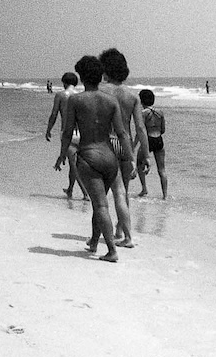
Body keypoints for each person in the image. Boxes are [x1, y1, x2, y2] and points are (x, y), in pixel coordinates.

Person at [59, 56, 135, 263]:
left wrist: (61, 155)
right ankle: (94, 241)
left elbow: (67, 132)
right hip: (110, 158)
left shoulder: (75, 100)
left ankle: (111, 250)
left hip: (89, 157)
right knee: (98, 202)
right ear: (100, 76)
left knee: (100, 205)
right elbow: (122, 133)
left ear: (82, 77)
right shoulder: (111, 101)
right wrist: (131, 158)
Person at [99, 48, 148, 248]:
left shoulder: (100, 91)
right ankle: (123, 233)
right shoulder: (133, 96)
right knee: (123, 192)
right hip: (125, 146)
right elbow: (141, 129)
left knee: (101, 194)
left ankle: (100, 236)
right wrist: (144, 155)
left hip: (105, 143)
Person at [46, 72, 88, 200]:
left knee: (73, 164)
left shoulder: (60, 95)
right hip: (82, 133)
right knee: (74, 163)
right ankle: (70, 189)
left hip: (67, 133)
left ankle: (85, 193)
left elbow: (54, 114)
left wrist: (48, 130)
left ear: (64, 82)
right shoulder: (82, 95)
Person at [136, 89, 168, 199]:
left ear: (141, 100)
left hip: (148, 140)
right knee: (162, 169)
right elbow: (163, 129)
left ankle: (144, 188)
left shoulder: (143, 113)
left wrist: (133, 145)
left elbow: (140, 131)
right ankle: (165, 195)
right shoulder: (160, 112)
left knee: (139, 163)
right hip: (159, 139)